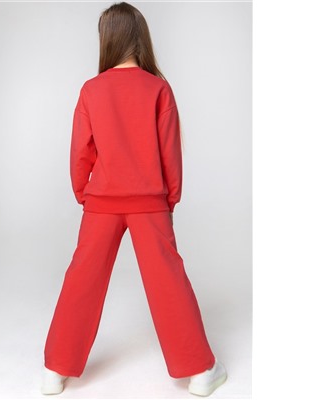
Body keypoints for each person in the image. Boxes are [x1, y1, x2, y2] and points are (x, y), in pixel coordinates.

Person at [41, 1, 227, 397]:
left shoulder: (91, 90)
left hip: (101, 201)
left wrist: (85, 193)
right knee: (168, 282)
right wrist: (170, 200)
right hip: (149, 203)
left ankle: (55, 370)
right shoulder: (158, 88)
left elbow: (80, 151)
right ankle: (200, 372)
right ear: (140, 37)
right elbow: (170, 152)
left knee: (81, 280)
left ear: (106, 40)